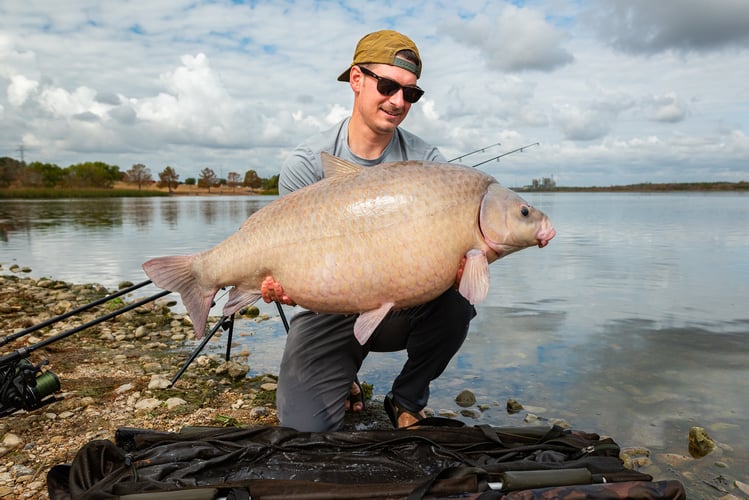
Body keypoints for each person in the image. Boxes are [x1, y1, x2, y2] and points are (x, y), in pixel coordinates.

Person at [262, 30, 475, 432]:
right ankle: (343, 375)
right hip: (328, 309)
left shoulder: (429, 162)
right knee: (302, 430)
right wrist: (281, 285)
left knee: (458, 300)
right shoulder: (306, 164)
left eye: (410, 94)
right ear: (356, 79)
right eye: (388, 86)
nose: (398, 102)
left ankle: (408, 399)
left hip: (400, 305)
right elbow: (287, 266)